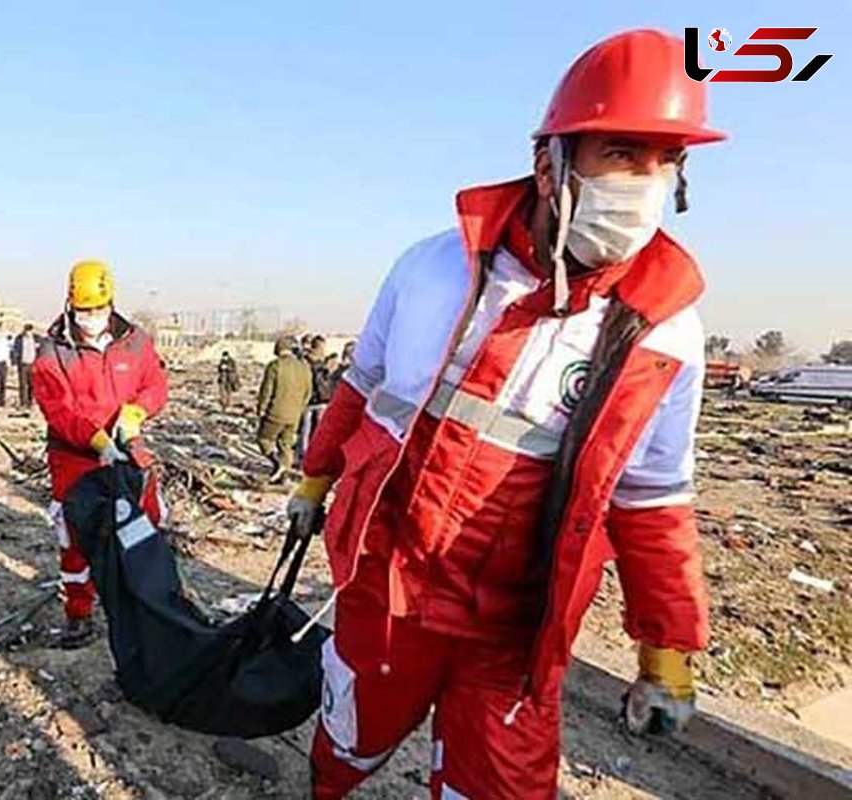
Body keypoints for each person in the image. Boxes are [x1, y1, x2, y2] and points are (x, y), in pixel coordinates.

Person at [287, 30, 723, 799]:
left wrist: (668, 649)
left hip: (516, 630)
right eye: (622, 152)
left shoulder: (666, 332)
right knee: (350, 741)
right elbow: (361, 388)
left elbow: (654, 501)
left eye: (666, 163)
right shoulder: (432, 268)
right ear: (551, 160)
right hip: (388, 588)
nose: (644, 183)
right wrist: (314, 482)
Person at [32, 260, 168, 648]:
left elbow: (156, 383)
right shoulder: (52, 352)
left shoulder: (136, 341)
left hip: (127, 452)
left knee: (143, 527)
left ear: (111, 303)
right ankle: (79, 612)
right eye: (84, 310)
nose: (92, 318)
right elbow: (57, 409)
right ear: (70, 304)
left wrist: (138, 410)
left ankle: (144, 604)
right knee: (74, 541)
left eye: (98, 309)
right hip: (74, 459)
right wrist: (95, 439)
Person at [256, 336, 312, 483]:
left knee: (264, 439)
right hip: (294, 415)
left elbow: (266, 391)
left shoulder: (275, 366)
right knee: (286, 445)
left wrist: (261, 409)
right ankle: (283, 475)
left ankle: (277, 463)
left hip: (275, 413)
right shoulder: (304, 366)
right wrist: (299, 408)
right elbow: (308, 392)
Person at [298, 336, 332, 463]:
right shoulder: (314, 361)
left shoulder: (307, 360)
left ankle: (306, 455)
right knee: (311, 430)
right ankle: (307, 456)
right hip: (315, 399)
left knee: (308, 429)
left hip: (315, 399)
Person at [12, 323, 40, 409]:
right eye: (26, 331)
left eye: (29, 331)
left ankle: (30, 402)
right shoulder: (19, 339)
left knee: (32, 384)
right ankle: (23, 403)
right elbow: (15, 351)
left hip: (33, 364)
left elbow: (42, 350)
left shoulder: (37, 339)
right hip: (23, 364)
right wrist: (14, 362)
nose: (28, 333)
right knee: (23, 384)